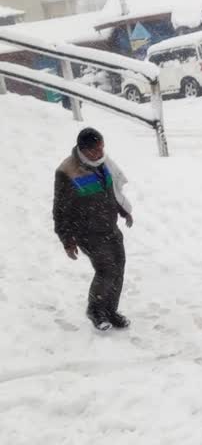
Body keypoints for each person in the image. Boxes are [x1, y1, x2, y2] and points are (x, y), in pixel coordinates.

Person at [53, 128, 133, 331]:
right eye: (96, 149)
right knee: (106, 270)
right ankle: (96, 311)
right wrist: (68, 241)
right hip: (86, 232)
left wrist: (124, 211)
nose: (101, 152)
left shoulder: (102, 163)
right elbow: (60, 210)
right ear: (84, 150)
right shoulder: (67, 171)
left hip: (109, 226)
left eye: (102, 147)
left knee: (119, 267)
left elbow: (111, 190)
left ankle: (110, 311)